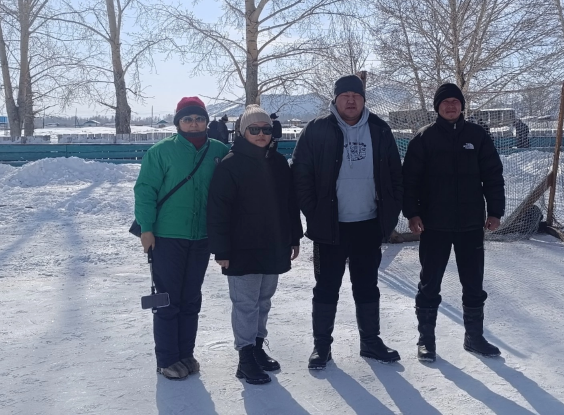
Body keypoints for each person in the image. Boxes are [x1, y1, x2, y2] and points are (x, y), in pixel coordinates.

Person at [291, 75, 404, 369]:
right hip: (330, 226)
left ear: (364, 99)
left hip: (368, 223)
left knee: (367, 286)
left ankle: (371, 342)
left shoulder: (379, 129)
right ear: (335, 99)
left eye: (356, 95)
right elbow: (300, 174)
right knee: (326, 287)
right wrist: (313, 211)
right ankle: (321, 347)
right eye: (345, 96)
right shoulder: (316, 130)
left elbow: (395, 174)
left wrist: (390, 212)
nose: (351, 100)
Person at [402, 83, 506, 362]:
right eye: (445, 101)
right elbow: (409, 181)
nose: (451, 106)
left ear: (462, 106)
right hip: (433, 225)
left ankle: (474, 337)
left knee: (473, 285)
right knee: (429, 284)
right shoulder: (424, 138)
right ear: (437, 106)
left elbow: (493, 176)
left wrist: (495, 212)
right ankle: (426, 340)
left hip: (471, 225)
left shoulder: (477, 136)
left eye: (455, 101)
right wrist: (412, 214)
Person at [133, 97, 229, 380]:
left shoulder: (220, 151)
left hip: (201, 236)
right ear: (178, 123)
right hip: (167, 236)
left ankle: (185, 353)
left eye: (199, 118)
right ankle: (167, 359)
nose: (194, 123)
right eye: (187, 119)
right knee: (167, 299)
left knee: (191, 298)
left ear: (207, 121)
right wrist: (146, 229)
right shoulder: (161, 152)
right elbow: (145, 190)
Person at [208, 105, 304, 384]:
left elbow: (290, 203)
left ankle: (257, 347)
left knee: (263, 300)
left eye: (266, 129)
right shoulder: (230, 165)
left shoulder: (278, 163)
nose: (261, 134)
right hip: (242, 248)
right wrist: (221, 249)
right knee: (245, 304)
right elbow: (218, 211)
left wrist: (294, 237)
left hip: (274, 243)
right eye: (254, 129)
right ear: (242, 132)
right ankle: (245, 356)